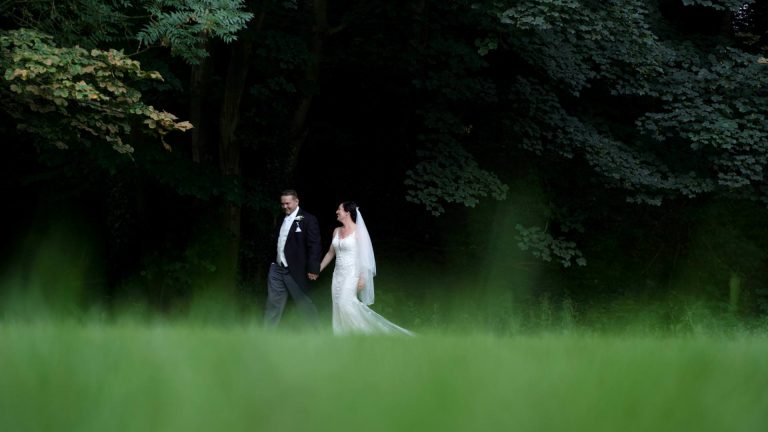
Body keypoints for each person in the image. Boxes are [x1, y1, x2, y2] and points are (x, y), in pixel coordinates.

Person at [319, 201, 413, 335]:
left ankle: (364, 333)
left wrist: (363, 277)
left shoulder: (359, 231)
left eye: (339, 209)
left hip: (352, 274)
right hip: (337, 274)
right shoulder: (336, 231)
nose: (337, 212)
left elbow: (365, 256)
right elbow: (330, 253)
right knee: (338, 305)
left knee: (346, 304)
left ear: (347, 212)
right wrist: (318, 268)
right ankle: (342, 336)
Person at [264, 189, 322, 327]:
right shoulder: (280, 218)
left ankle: (317, 334)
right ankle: (266, 335)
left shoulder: (308, 219)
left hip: (295, 269)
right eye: (282, 204)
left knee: (303, 303)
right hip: (277, 268)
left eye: (288, 203)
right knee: (273, 303)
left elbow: (314, 245)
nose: (285, 206)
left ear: (297, 201)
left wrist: (314, 268)